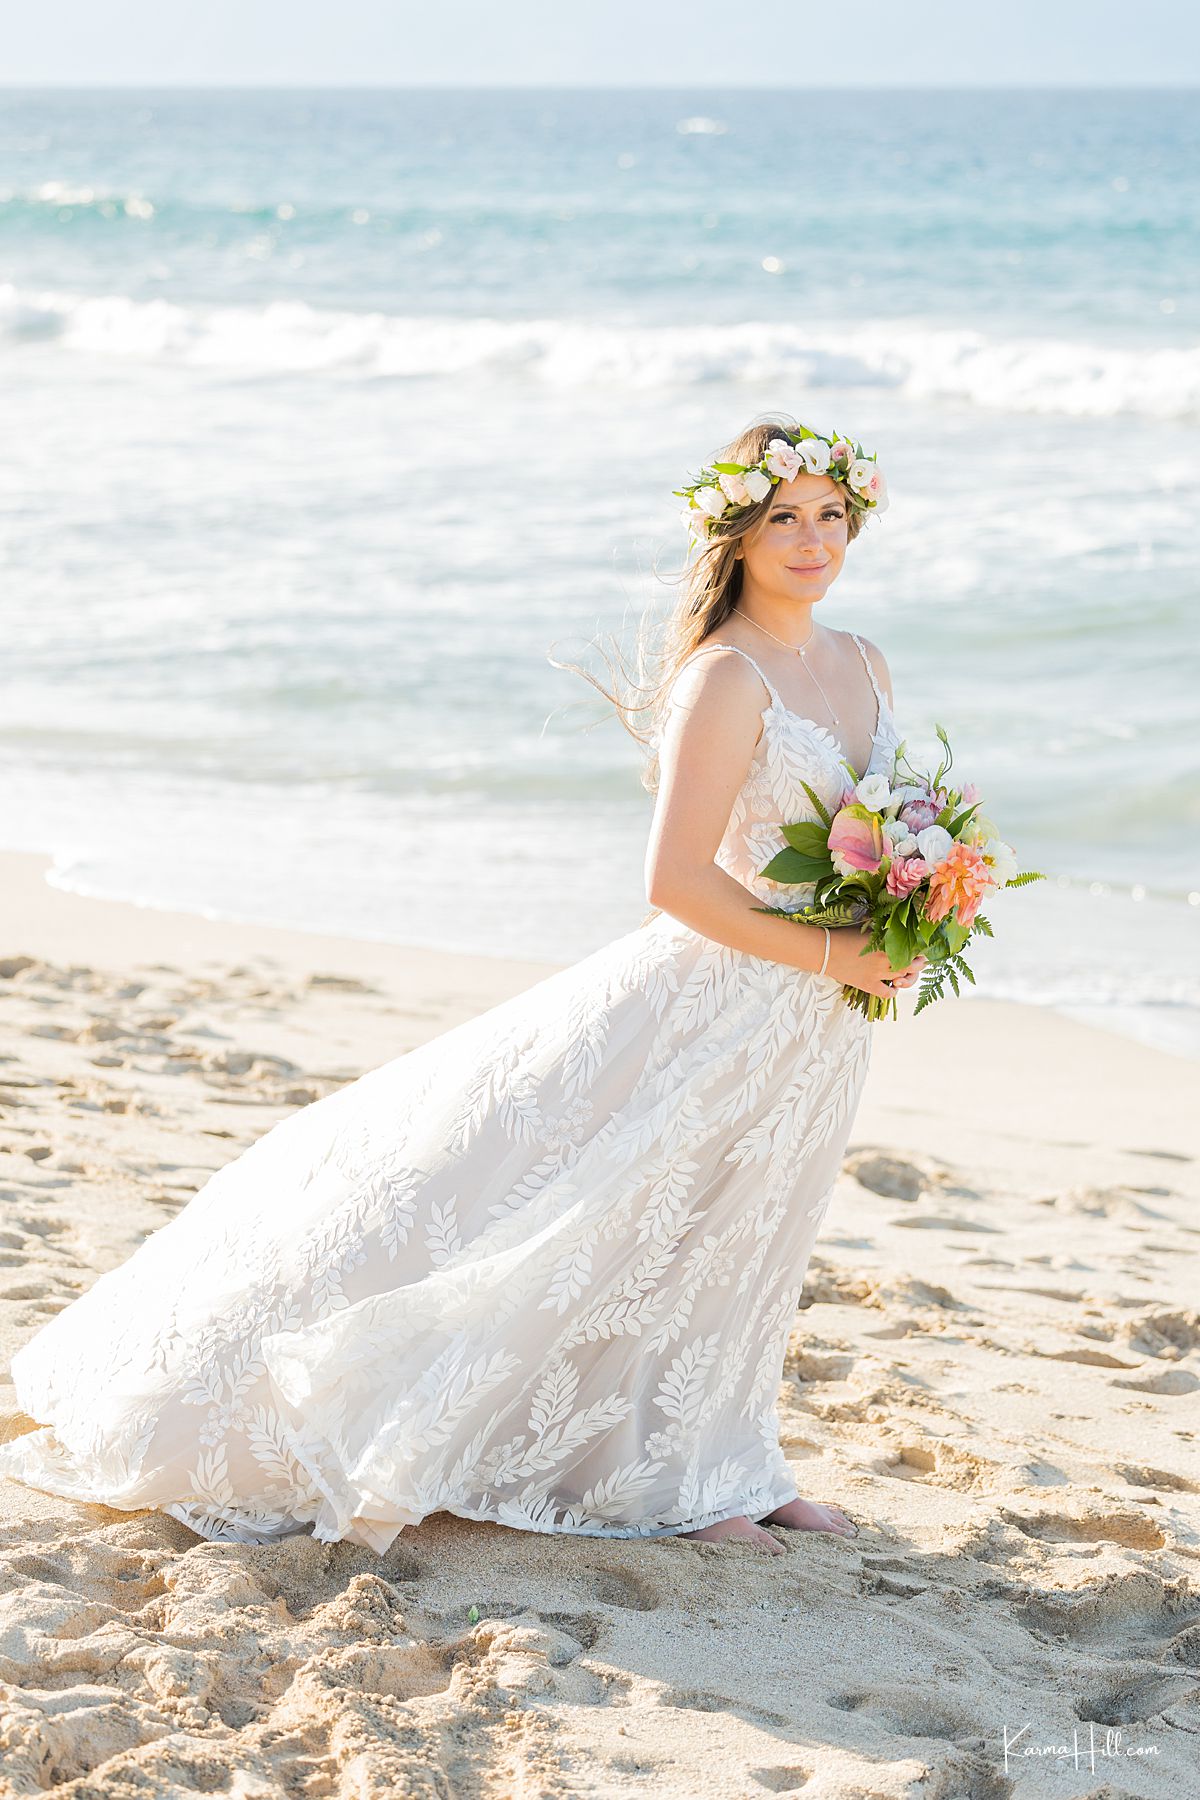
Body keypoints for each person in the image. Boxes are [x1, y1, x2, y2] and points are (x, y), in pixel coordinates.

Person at [0, 413, 925, 1558]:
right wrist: (838, 953)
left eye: (830, 516)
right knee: (644, 1226)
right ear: (736, 533)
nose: (810, 539)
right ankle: (671, 1479)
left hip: (820, 1015)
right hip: (723, 998)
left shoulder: (864, 662)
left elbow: (882, 824)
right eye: (783, 517)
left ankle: (737, 1455)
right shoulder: (725, 679)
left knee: (758, 1230)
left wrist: (920, 897)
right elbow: (676, 881)